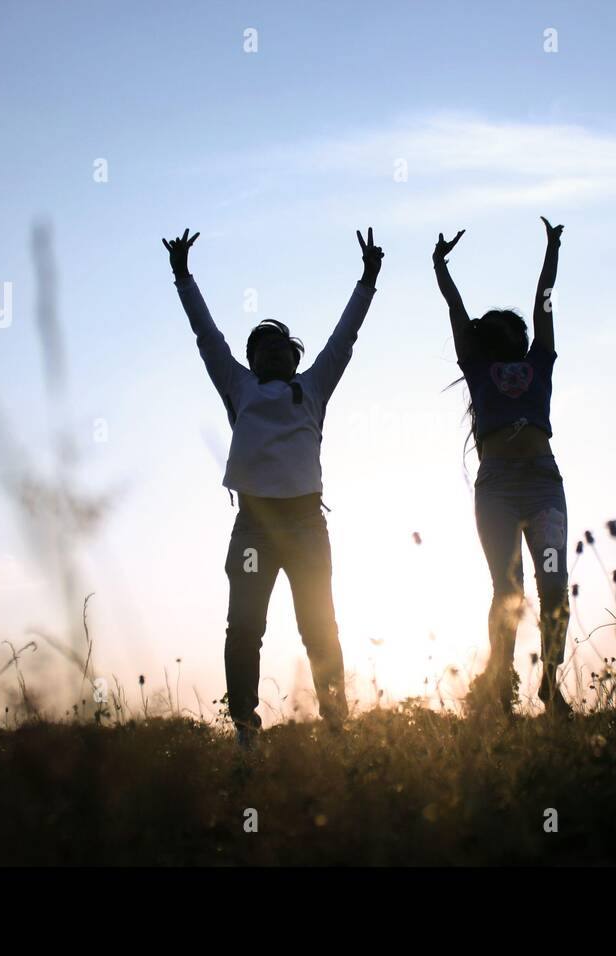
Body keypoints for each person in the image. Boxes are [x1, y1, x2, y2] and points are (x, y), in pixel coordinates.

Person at [162, 226, 384, 748]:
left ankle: (336, 726)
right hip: (254, 527)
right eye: (260, 349)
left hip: (307, 525)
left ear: (294, 356)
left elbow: (344, 337)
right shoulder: (239, 386)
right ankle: (245, 728)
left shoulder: (313, 387)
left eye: (279, 346)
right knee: (244, 627)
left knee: (318, 626)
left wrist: (368, 280)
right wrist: (183, 276)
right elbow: (207, 338)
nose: (270, 354)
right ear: (251, 361)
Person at [432, 217, 571, 717]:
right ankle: (501, 693)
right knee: (507, 589)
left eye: (521, 327)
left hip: (541, 481)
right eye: (507, 326)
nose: (519, 328)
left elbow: (545, 299)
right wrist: (440, 268)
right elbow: (455, 309)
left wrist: (552, 249)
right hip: (496, 487)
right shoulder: (476, 367)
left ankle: (551, 683)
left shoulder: (541, 360)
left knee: (554, 585)